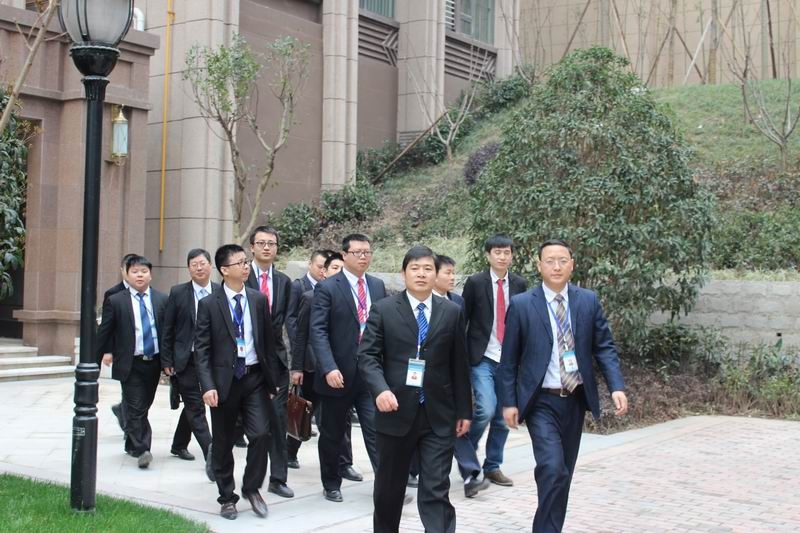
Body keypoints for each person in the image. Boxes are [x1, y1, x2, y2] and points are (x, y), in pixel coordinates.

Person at [498, 238, 629, 532]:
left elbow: (604, 347)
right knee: (552, 467)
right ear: (539, 265)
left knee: (562, 473)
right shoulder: (522, 305)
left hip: (575, 399)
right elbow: (508, 360)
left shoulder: (587, 301)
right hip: (540, 401)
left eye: (562, 261)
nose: (556, 266)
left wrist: (616, 386)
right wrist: (508, 402)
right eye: (550, 261)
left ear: (572, 265)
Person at [359, 245, 472, 533]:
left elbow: (459, 364)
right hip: (394, 410)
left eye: (427, 269)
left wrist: (464, 410)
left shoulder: (451, 312)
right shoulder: (384, 309)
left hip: (438, 414)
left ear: (436, 274)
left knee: (436, 489)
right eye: (415, 268)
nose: (421, 274)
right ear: (403, 273)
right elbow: (367, 356)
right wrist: (380, 390)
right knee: (389, 491)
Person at [195, 244, 279, 520]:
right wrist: (207, 385)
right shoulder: (210, 304)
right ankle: (227, 497)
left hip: (254, 378)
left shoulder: (257, 299)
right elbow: (202, 349)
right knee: (223, 442)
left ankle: (252, 488)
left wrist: (272, 381)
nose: (246, 267)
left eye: (246, 262)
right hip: (224, 382)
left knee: (261, 434)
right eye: (240, 263)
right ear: (224, 270)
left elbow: (268, 343)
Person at [310, 233, 385, 502]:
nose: (363, 257)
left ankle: (386, 486)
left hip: (369, 374)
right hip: (338, 374)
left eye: (367, 252)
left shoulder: (377, 286)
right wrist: (328, 368)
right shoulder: (328, 287)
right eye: (357, 252)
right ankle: (331, 483)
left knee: (377, 431)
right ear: (344, 255)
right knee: (332, 434)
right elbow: (318, 331)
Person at [453, 234, 528, 496]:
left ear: (512, 256)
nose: (502, 256)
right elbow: (463, 319)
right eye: (497, 252)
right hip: (481, 356)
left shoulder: (519, 283)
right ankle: (467, 455)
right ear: (488, 255)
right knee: (486, 408)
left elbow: (524, 320)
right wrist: (459, 355)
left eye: (506, 252)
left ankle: (493, 465)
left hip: (509, 359)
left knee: (503, 416)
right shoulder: (476, 282)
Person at [287, 251, 360, 481]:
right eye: (334, 268)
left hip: (339, 371)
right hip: (312, 368)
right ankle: (290, 451)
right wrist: (297, 368)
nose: (339, 272)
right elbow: (301, 335)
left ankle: (344, 463)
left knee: (342, 420)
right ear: (324, 272)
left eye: (342, 269)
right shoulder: (310, 297)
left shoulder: (351, 299)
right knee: (304, 411)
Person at [96, 255, 167, 469]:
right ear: (126, 274)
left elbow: (168, 333)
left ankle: (131, 443)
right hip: (130, 362)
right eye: (135, 271)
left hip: (153, 361)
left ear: (150, 275)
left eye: (144, 271)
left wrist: (169, 361)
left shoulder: (161, 299)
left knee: (144, 406)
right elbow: (105, 331)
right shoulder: (117, 300)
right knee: (136, 408)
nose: (140, 275)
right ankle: (143, 449)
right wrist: (97, 358)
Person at [242, 225, 295, 498]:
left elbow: (288, 322)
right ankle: (218, 462)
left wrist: (295, 363)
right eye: (261, 243)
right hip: (245, 362)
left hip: (275, 362)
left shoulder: (284, 282)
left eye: (271, 243)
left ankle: (277, 478)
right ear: (251, 247)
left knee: (277, 420)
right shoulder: (240, 276)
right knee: (237, 421)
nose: (266, 247)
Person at [160, 248, 218, 482]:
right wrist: (167, 360)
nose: (199, 268)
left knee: (195, 405)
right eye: (194, 264)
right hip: (186, 359)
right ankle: (211, 454)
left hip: (213, 360)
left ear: (210, 266)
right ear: (188, 268)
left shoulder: (220, 291)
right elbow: (168, 328)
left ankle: (178, 444)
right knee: (195, 406)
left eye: (203, 263)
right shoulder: (178, 293)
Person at [98, 253, 137, 433]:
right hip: (122, 351)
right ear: (123, 271)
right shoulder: (113, 294)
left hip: (143, 352)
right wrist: (108, 351)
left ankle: (122, 411)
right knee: (128, 393)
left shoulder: (147, 292)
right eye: (132, 270)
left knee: (138, 397)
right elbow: (108, 326)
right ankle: (130, 430)